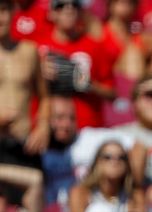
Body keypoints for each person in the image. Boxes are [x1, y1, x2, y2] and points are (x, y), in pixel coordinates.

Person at [39, 0, 115, 129]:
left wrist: (89, 85)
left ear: (81, 12)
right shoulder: (37, 48)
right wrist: (38, 73)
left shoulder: (95, 47)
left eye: (75, 5)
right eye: (61, 6)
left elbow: (112, 94)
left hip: (87, 128)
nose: (69, 9)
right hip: (50, 130)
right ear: (51, 13)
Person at [0, 0, 50, 166]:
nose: (1, 18)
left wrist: (42, 126)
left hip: (23, 144)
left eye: (4, 10)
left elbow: (44, 97)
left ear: (13, 12)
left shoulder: (29, 51)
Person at [68, 140, 146, 212]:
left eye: (121, 157)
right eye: (108, 157)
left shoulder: (135, 195)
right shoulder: (81, 192)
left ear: (127, 164)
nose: (115, 161)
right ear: (97, 162)